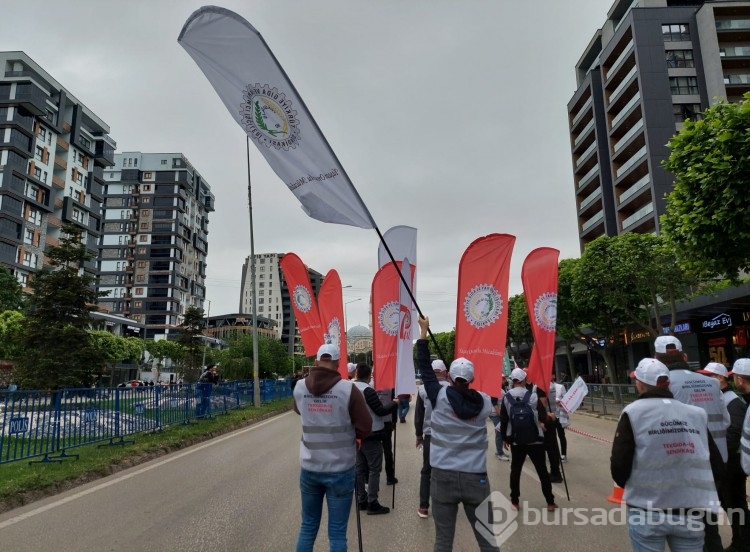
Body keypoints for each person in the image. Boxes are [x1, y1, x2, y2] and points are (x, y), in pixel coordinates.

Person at [611, 358, 724, 552]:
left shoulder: (633, 412)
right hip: (690, 510)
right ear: (668, 383)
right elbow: (716, 465)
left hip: (646, 510)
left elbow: (620, 466)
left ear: (639, 384)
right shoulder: (696, 414)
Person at [417, 316, 499, 552]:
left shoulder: (439, 396)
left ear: (450, 377)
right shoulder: (483, 402)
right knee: (488, 540)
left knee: (443, 542)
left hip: (443, 477)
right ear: (472, 379)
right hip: (476, 478)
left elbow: (425, 370)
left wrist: (424, 334)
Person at [292, 343, 372, 552]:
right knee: (337, 532)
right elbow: (365, 426)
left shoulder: (300, 387)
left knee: (307, 527)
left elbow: (299, 410)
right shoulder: (347, 389)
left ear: (316, 361)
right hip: (340, 468)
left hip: (310, 468)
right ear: (338, 363)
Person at [655, 335, 729, 552]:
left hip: (684, 467)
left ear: (657, 359)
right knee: (709, 523)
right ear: (684, 356)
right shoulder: (712, 382)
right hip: (716, 465)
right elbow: (725, 421)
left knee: (687, 531)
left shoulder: (665, 386)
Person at [499, 367, 557, 511]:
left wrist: (504, 438)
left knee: (515, 470)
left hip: (516, 440)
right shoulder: (532, 396)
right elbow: (543, 417)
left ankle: (515, 501)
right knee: (542, 470)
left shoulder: (506, 397)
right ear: (524, 380)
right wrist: (550, 418)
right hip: (535, 439)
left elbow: (504, 420)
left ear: (512, 381)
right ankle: (550, 502)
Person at [352, 362, 398, 515]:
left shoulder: (349, 388)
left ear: (356, 373)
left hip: (356, 434)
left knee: (360, 468)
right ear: (369, 374)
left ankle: (361, 499)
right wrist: (394, 403)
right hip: (371, 434)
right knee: (374, 469)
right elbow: (380, 411)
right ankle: (372, 502)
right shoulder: (368, 390)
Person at [719, 358, 750, 552]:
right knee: (731, 502)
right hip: (738, 463)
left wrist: (724, 456)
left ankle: (743, 542)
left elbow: (736, 433)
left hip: (734, 464)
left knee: (735, 503)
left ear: (738, 379)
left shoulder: (734, 402)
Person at [414, 358, 451, 518]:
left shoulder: (423, 389)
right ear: (444, 372)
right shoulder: (453, 389)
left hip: (430, 435)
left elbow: (419, 416)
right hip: (449, 436)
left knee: (426, 470)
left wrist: (418, 435)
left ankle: (423, 506)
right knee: (447, 469)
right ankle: (446, 505)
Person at [375, 386, 398, 486]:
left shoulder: (371, 385)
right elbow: (394, 405)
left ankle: (372, 477)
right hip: (387, 421)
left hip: (374, 422)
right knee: (387, 450)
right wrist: (394, 421)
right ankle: (390, 477)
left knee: (374, 451)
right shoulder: (391, 388)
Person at [550, 373, 568, 462]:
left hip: (559, 415)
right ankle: (554, 454)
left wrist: (560, 402)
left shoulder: (560, 387)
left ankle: (563, 454)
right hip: (550, 416)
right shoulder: (544, 387)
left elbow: (566, 401)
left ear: (553, 376)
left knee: (561, 435)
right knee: (552, 436)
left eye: (550, 375)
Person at [488, 393, 510, 462]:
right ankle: (500, 453)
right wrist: (501, 414)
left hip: (498, 413)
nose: (504, 381)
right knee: (499, 432)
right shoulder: (495, 390)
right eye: (503, 380)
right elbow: (494, 403)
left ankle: (499, 451)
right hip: (495, 414)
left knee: (499, 432)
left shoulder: (501, 389)